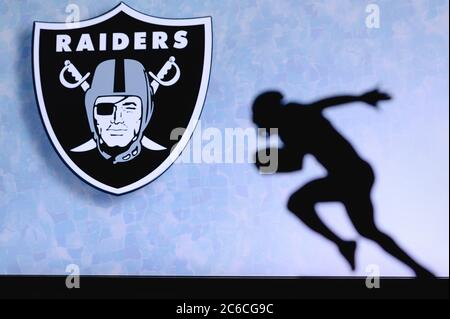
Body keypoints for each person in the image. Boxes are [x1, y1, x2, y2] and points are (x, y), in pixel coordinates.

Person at [252, 88, 435, 277]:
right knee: (368, 230)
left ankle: (344, 244)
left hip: (350, 175)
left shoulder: (292, 113)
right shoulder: (288, 129)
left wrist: (360, 98)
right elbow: (297, 163)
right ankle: (420, 270)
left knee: (298, 203)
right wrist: (270, 163)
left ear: (269, 112)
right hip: (350, 176)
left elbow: (324, 103)